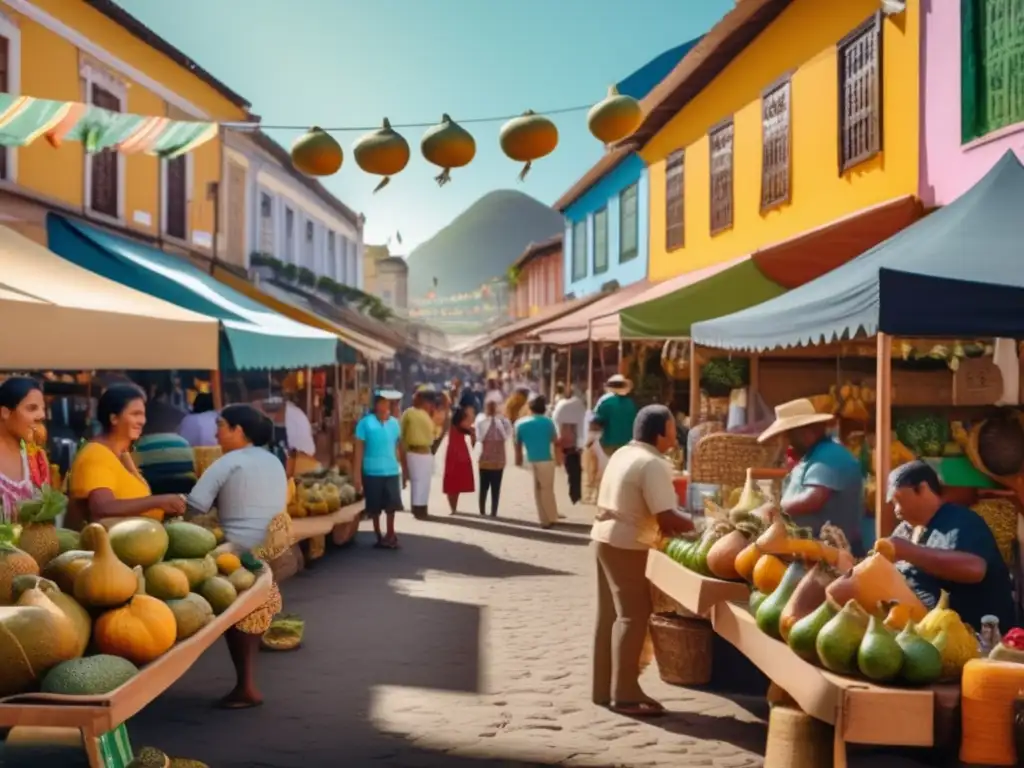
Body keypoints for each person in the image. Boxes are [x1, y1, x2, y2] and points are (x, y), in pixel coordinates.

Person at [591, 404, 694, 717]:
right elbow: (666, 517)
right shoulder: (653, 463)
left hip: (603, 537)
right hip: (627, 543)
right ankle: (625, 693)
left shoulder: (624, 453)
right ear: (659, 433)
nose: (675, 437)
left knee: (609, 615)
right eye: (673, 430)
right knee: (634, 616)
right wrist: (698, 524)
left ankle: (602, 688)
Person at [185, 404, 288, 709]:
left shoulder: (227, 462)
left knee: (236, 615)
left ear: (238, 431)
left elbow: (194, 505)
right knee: (250, 613)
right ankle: (247, 684)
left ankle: (246, 687)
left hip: (237, 552)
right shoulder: (274, 461)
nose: (216, 431)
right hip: (273, 547)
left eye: (221, 425)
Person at [879, 461, 1015, 631]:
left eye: (898, 500)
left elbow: (975, 569)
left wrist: (911, 553)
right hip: (924, 633)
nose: (896, 511)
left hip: (980, 638)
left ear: (922, 489)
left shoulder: (961, 521)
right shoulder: (904, 531)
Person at [68, 384, 186, 529]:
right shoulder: (96, 454)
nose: (142, 421)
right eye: (135, 414)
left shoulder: (122, 455)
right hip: (109, 547)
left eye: (143, 414)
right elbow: (102, 507)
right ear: (114, 418)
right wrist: (158, 501)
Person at [759, 398, 864, 551]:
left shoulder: (830, 454)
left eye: (788, 436)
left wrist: (776, 509)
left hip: (834, 553)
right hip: (809, 549)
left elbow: (814, 498)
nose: (786, 443)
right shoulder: (812, 456)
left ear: (806, 433)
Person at [354, 390, 404, 549]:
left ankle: (391, 533)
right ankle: (378, 534)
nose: (385, 405)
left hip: (391, 470)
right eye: (381, 402)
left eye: (387, 402)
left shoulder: (395, 423)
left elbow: (397, 448)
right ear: (375, 405)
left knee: (392, 505)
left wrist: (405, 471)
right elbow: (358, 450)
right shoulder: (365, 423)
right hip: (372, 471)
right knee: (374, 507)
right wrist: (357, 475)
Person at [0, 377, 51, 523]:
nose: (41, 416)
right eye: (32, 408)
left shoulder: (37, 458)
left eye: (43, 409)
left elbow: (46, 515)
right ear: (5, 413)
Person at [514, 395, 561, 528]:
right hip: (546, 458)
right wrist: (559, 459)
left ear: (530, 408)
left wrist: (517, 460)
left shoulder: (520, 423)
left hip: (529, 458)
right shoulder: (548, 422)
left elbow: (517, 444)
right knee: (547, 489)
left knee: (537, 489)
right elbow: (555, 441)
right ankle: (551, 517)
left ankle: (543, 519)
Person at [401, 387, 437, 519]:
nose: (414, 398)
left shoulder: (427, 415)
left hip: (427, 452)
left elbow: (434, 434)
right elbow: (402, 434)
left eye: (417, 396)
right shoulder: (409, 413)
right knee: (416, 481)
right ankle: (417, 508)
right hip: (414, 451)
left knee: (425, 482)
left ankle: (423, 507)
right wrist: (402, 453)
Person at [475, 399, 511, 516]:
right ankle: (482, 511)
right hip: (485, 459)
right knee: (483, 487)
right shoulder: (482, 421)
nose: (491, 410)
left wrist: (500, 420)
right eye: (489, 407)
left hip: (498, 460)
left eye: (493, 407)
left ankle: (493, 511)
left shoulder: (503, 422)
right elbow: (479, 436)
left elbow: (507, 434)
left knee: (496, 488)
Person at [553, 385, 587, 505]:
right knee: (576, 469)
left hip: (565, 441)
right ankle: (576, 493)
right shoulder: (580, 406)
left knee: (570, 469)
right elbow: (583, 424)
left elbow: (556, 421)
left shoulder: (561, 405)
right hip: (576, 442)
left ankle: (574, 493)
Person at [592, 375, 638, 457]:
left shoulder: (606, 403)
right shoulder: (631, 404)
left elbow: (597, 423)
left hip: (609, 443)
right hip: (628, 444)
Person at [443, 405, 476, 514]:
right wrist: (473, 439)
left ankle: (453, 508)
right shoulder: (463, 426)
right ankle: (454, 508)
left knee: (451, 481)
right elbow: (473, 436)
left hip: (452, 452)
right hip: (461, 452)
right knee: (457, 482)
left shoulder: (452, 425)